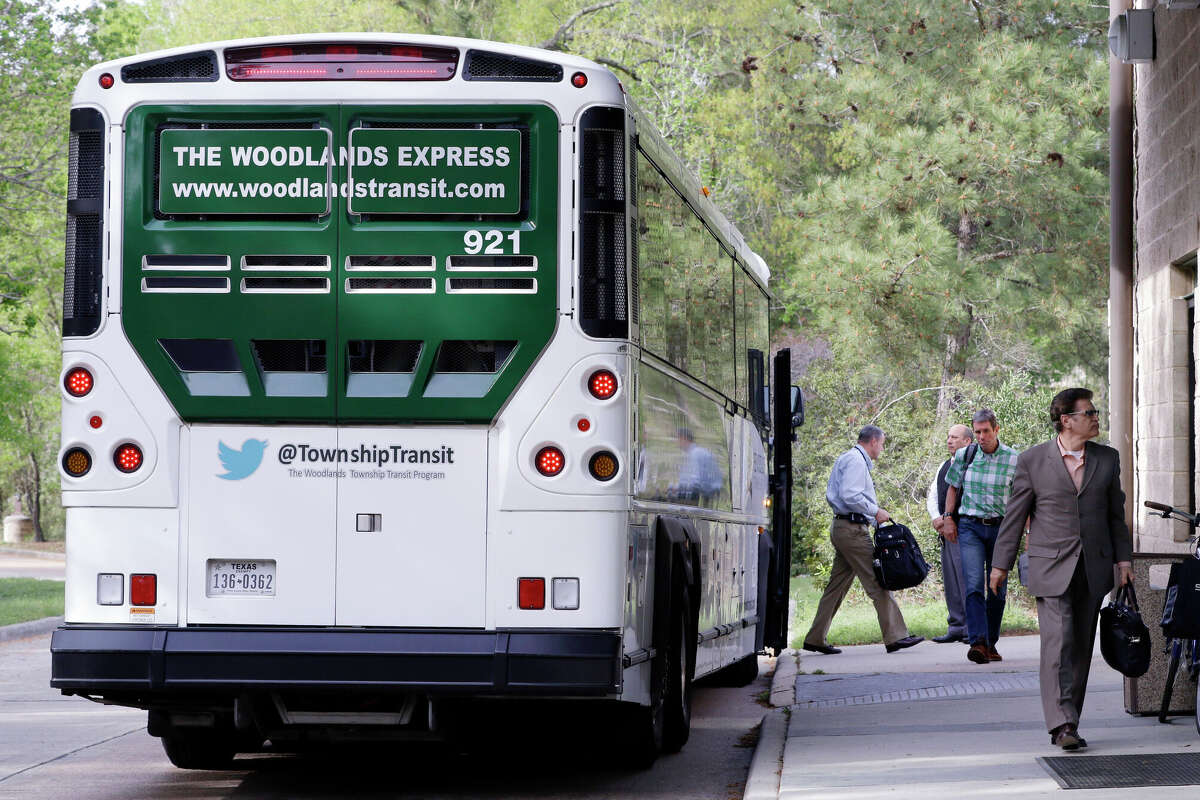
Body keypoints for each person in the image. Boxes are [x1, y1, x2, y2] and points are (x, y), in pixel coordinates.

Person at [990, 388, 1133, 751]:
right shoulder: (1032, 461)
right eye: (1090, 412)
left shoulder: (1107, 459)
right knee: (1058, 643)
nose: (1097, 417)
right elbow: (1015, 517)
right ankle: (1061, 723)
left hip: (1094, 567)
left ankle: (1071, 720)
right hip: (1050, 567)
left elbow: (1116, 516)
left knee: (1081, 647)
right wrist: (999, 565)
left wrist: (1124, 560)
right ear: (1066, 419)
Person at [802, 425, 924, 655]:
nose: (882, 449)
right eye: (882, 444)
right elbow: (850, 494)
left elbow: (847, 495)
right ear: (873, 441)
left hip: (845, 527)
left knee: (836, 587)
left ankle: (815, 638)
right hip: (852, 530)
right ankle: (897, 636)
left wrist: (872, 517)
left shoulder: (850, 458)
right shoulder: (857, 461)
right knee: (878, 581)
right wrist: (875, 510)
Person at [940, 409, 1019, 665]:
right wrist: (948, 517)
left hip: (1001, 529)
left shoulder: (1013, 459)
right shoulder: (965, 455)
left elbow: (1022, 499)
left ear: (996, 430)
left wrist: (1025, 533)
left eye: (986, 431)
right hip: (970, 527)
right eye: (977, 432)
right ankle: (977, 642)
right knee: (973, 584)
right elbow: (952, 487)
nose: (982, 436)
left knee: (997, 588)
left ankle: (990, 642)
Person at [926, 423, 974, 643]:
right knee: (951, 579)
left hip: (965, 530)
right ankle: (956, 626)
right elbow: (933, 495)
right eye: (948, 437)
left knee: (967, 580)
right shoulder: (944, 466)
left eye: (955, 437)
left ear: (967, 441)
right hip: (945, 531)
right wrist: (937, 518)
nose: (949, 440)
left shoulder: (974, 465)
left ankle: (970, 628)